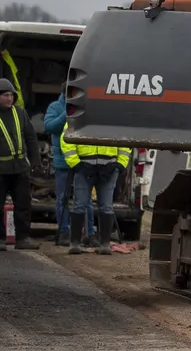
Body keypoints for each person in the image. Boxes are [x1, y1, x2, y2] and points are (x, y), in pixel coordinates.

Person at [61, 127, 130, 255]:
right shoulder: (82, 113)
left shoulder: (116, 118)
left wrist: (120, 164)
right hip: (84, 166)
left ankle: (104, 244)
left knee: (105, 206)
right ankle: (75, 243)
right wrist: (75, 164)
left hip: (108, 167)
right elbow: (66, 139)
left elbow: (126, 140)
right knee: (80, 205)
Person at [0, 77, 41, 251]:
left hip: (19, 168)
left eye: (11, 95)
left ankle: (23, 238)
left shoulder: (19, 112)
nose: (10, 98)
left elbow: (30, 137)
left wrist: (35, 160)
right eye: (6, 95)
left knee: (23, 204)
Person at [43, 87, 74, 246]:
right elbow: (49, 127)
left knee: (84, 200)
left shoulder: (84, 105)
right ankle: (64, 233)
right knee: (62, 199)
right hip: (62, 163)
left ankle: (85, 234)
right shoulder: (55, 107)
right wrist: (65, 114)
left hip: (81, 161)